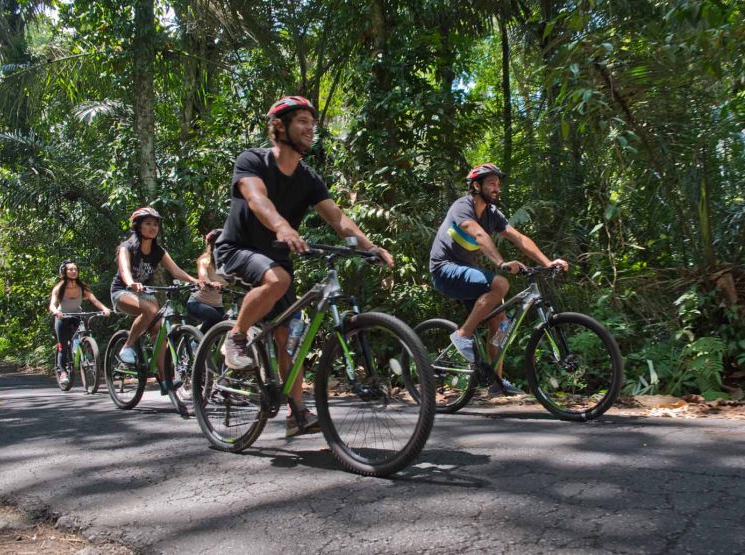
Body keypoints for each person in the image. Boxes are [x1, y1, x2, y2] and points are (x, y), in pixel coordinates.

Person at [214, 95, 393, 437]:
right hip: (238, 248)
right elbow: (256, 199)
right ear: (278, 127)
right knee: (278, 280)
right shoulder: (252, 160)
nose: (310, 129)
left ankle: (296, 415)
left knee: (288, 339)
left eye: (313, 124)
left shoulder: (308, 178)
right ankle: (235, 336)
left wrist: (370, 247)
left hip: (276, 259)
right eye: (302, 122)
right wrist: (282, 226)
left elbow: (338, 217)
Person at [428, 163, 569, 396]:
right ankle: (462, 335)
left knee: (500, 320)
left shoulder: (493, 215)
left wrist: (547, 262)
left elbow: (519, 238)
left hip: (466, 273)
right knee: (501, 284)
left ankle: (496, 383)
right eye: (491, 183)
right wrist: (502, 263)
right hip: (444, 270)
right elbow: (479, 234)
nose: (496, 188)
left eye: (498, 184)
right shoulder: (462, 207)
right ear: (476, 185)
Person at [109, 207, 200, 395]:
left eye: (155, 224)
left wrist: (196, 281)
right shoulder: (127, 247)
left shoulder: (158, 250)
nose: (153, 228)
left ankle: (165, 380)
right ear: (138, 226)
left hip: (145, 293)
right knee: (150, 310)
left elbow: (175, 271)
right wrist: (132, 282)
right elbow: (125, 270)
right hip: (122, 291)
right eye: (148, 224)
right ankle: (127, 346)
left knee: (159, 331)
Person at [48, 260, 112, 385]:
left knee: (83, 334)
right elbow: (52, 305)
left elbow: (94, 300)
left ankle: (85, 353)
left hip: (77, 315)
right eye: (70, 269)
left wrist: (104, 309)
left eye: (75, 269)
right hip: (62, 317)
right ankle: (63, 373)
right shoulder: (59, 288)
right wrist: (56, 312)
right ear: (64, 272)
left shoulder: (82, 287)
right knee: (63, 346)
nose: (73, 272)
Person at [186, 229, 227, 333]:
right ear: (212, 245)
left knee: (223, 333)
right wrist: (211, 283)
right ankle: (196, 344)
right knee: (215, 318)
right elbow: (203, 277)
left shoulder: (229, 263)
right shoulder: (205, 261)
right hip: (197, 303)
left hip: (218, 306)